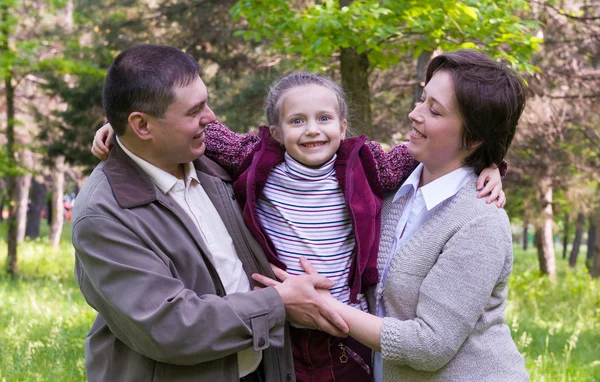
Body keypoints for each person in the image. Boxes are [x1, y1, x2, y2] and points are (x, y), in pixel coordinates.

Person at [92, 71, 506, 381]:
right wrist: (127, 132)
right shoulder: (255, 159)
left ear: (343, 128)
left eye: (324, 118)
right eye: (297, 121)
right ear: (275, 132)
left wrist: (490, 164)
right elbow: (191, 132)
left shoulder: (366, 166)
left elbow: (434, 152)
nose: (312, 130)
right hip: (281, 335)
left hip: (349, 335)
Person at [72, 44, 352, 382]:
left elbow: (313, 150)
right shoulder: (104, 214)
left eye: (206, 102)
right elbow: (170, 327)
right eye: (194, 112)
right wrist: (278, 302)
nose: (211, 118)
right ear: (142, 126)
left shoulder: (211, 162)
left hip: (260, 369)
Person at [256, 49, 530, 381]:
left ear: (472, 137)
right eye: (421, 99)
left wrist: (318, 305)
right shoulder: (385, 190)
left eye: (434, 110)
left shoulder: (480, 221)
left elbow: (429, 346)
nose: (414, 114)